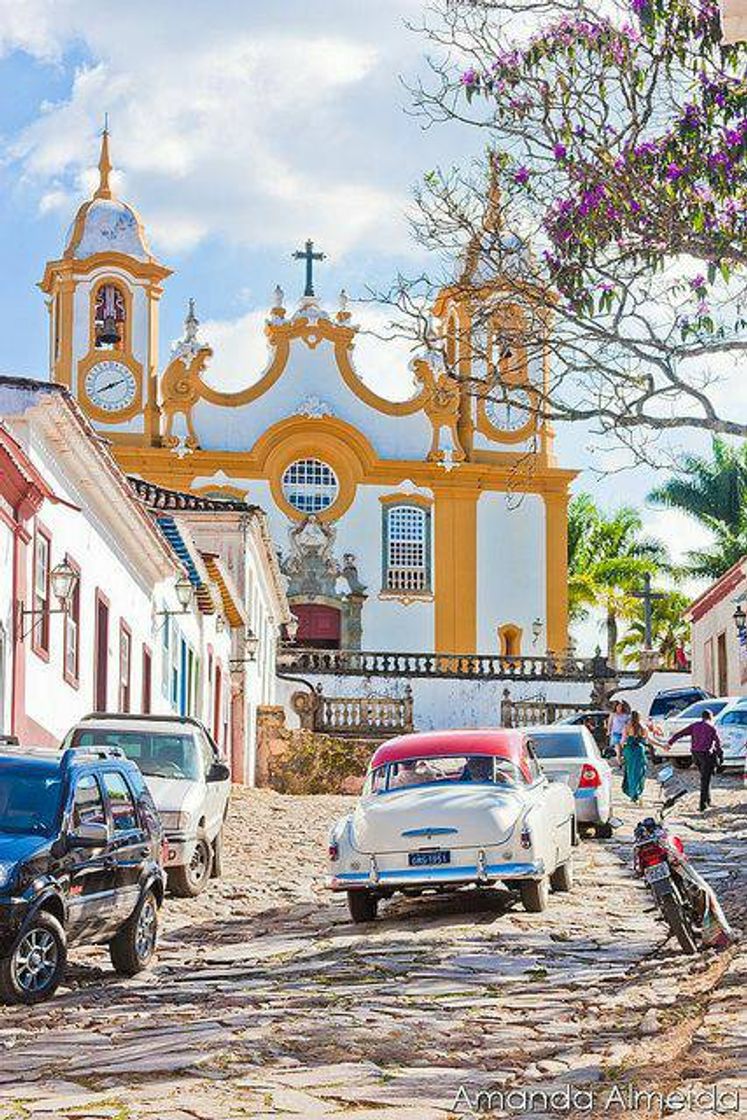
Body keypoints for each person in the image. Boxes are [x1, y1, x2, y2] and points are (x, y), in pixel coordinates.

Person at [668, 709, 723, 812]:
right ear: (710, 717)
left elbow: (680, 733)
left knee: (705, 778)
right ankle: (703, 805)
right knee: (705, 780)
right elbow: (718, 743)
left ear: (702, 716)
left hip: (695, 755)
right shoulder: (711, 728)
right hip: (706, 755)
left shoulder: (694, 725)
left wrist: (670, 742)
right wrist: (720, 755)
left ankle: (708, 800)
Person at [621, 710, 649, 804]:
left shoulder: (627, 726)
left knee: (630, 772)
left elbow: (623, 741)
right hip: (639, 751)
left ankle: (633, 795)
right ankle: (637, 793)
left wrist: (621, 752)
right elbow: (647, 739)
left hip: (629, 750)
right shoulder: (643, 727)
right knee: (639, 772)